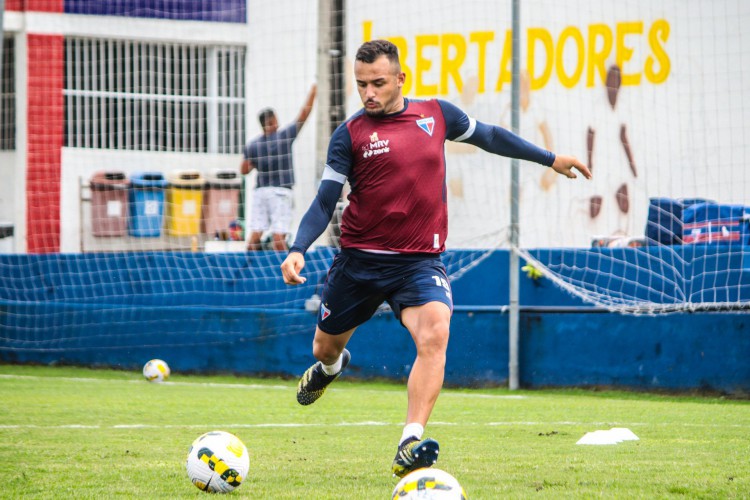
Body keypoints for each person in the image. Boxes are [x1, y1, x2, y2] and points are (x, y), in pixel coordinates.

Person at [280, 40, 590, 478]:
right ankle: (332, 367)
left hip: (419, 264)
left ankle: (409, 441)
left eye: (378, 83)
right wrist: (298, 248)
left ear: (400, 79)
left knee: (436, 334)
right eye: (361, 84)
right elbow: (324, 200)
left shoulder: (436, 115)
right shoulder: (349, 135)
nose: (368, 92)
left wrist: (550, 157)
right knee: (323, 346)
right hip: (359, 264)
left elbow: (491, 137)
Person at [241, 85, 316, 251]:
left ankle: (245, 271)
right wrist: (314, 92)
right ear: (273, 121)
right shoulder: (283, 136)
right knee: (279, 235)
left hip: (260, 192)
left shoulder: (253, 145)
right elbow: (303, 115)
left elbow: (244, 170)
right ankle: (283, 272)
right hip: (280, 192)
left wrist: (259, 161)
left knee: (255, 233)